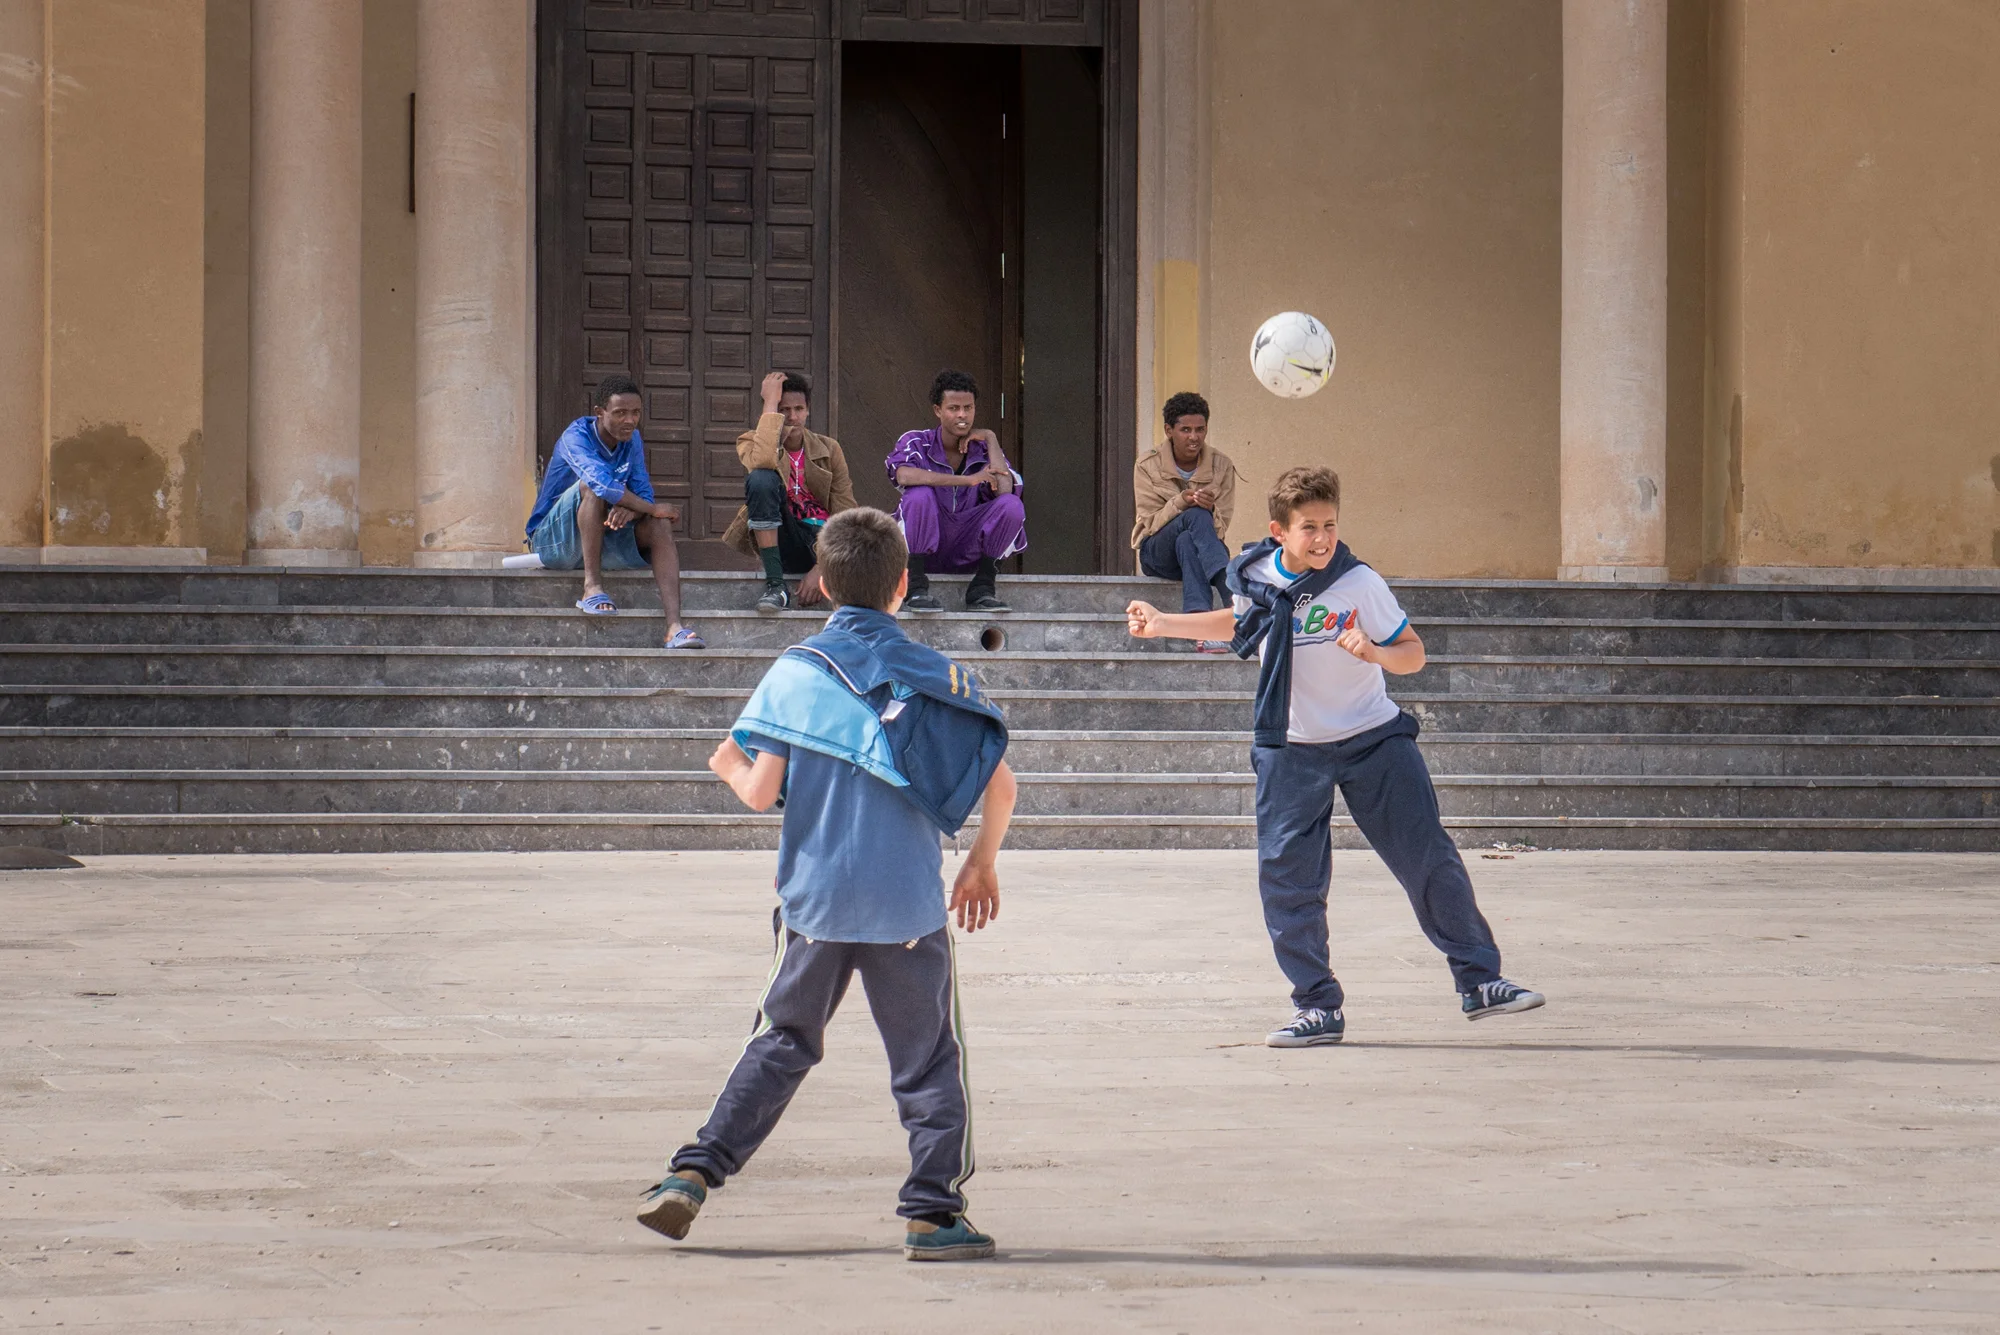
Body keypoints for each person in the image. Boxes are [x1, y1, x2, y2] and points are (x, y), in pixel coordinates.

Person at [636, 505, 1019, 1261]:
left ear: (821, 583)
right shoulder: (936, 677)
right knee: (929, 1059)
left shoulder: (798, 671)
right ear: (903, 584)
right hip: (907, 905)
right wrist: (980, 862)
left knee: (781, 1040)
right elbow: (1001, 782)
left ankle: (692, 1173)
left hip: (813, 901)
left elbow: (755, 789)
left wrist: (726, 761)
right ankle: (933, 1214)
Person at [1125, 466, 1543, 1046]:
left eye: (1330, 525)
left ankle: (1480, 980)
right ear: (1279, 531)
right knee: (1289, 880)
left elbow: (1413, 654)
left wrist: (1373, 651)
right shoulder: (1251, 576)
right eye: (1309, 528)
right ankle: (1317, 1007)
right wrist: (1165, 623)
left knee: (1428, 858)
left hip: (1374, 739)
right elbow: (1241, 622)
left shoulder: (1358, 582)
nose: (1322, 538)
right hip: (1292, 747)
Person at [524, 373, 704, 649]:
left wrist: (633, 511)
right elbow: (603, 485)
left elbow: (642, 492)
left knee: (659, 525)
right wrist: (653, 508)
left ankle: (674, 628)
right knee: (592, 488)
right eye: (620, 413)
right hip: (554, 542)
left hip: (602, 537)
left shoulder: (631, 440)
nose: (630, 420)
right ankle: (592, 587)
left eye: (636, 413)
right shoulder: (576, 436)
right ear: (600, 412)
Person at [886, 370, 1026, 613]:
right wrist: (967, 480)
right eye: (953, 408)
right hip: (922, 545)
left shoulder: (983, 448)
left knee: (1012, 506)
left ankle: (982, 588)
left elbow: (1005, 491)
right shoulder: (918, 441)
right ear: (938, 410)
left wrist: (991, 438)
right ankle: (916, 586)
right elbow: (903, 475)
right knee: (918, 496)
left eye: (968, 408)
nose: (962, 415)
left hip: (965, 546)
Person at [721, 370, 858, 612]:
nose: (793, 417)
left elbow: (846, 512)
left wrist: (823, 567)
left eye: (799, 409)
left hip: (823, 542)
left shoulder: (829, 448)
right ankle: (776, 586)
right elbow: (762, 461)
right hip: (786, 538)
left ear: (807, 410)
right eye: (784, 410)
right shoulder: (749, 441)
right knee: (760, 478)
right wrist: (770, 403)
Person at [1132, 390, 1239, 653]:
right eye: (1185, 430)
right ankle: (1233, 597)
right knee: (1193, 515)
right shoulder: (1147, 464)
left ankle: (1199, 629)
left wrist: (1210, 508)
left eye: (1200, 429)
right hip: (1157, 554)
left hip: (1200, 552)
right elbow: (1149, 524)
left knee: (1189, 538)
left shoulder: (1221, 465)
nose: (1194, 437)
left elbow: (1221, 528)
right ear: (1169, 430)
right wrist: (1181, 502)